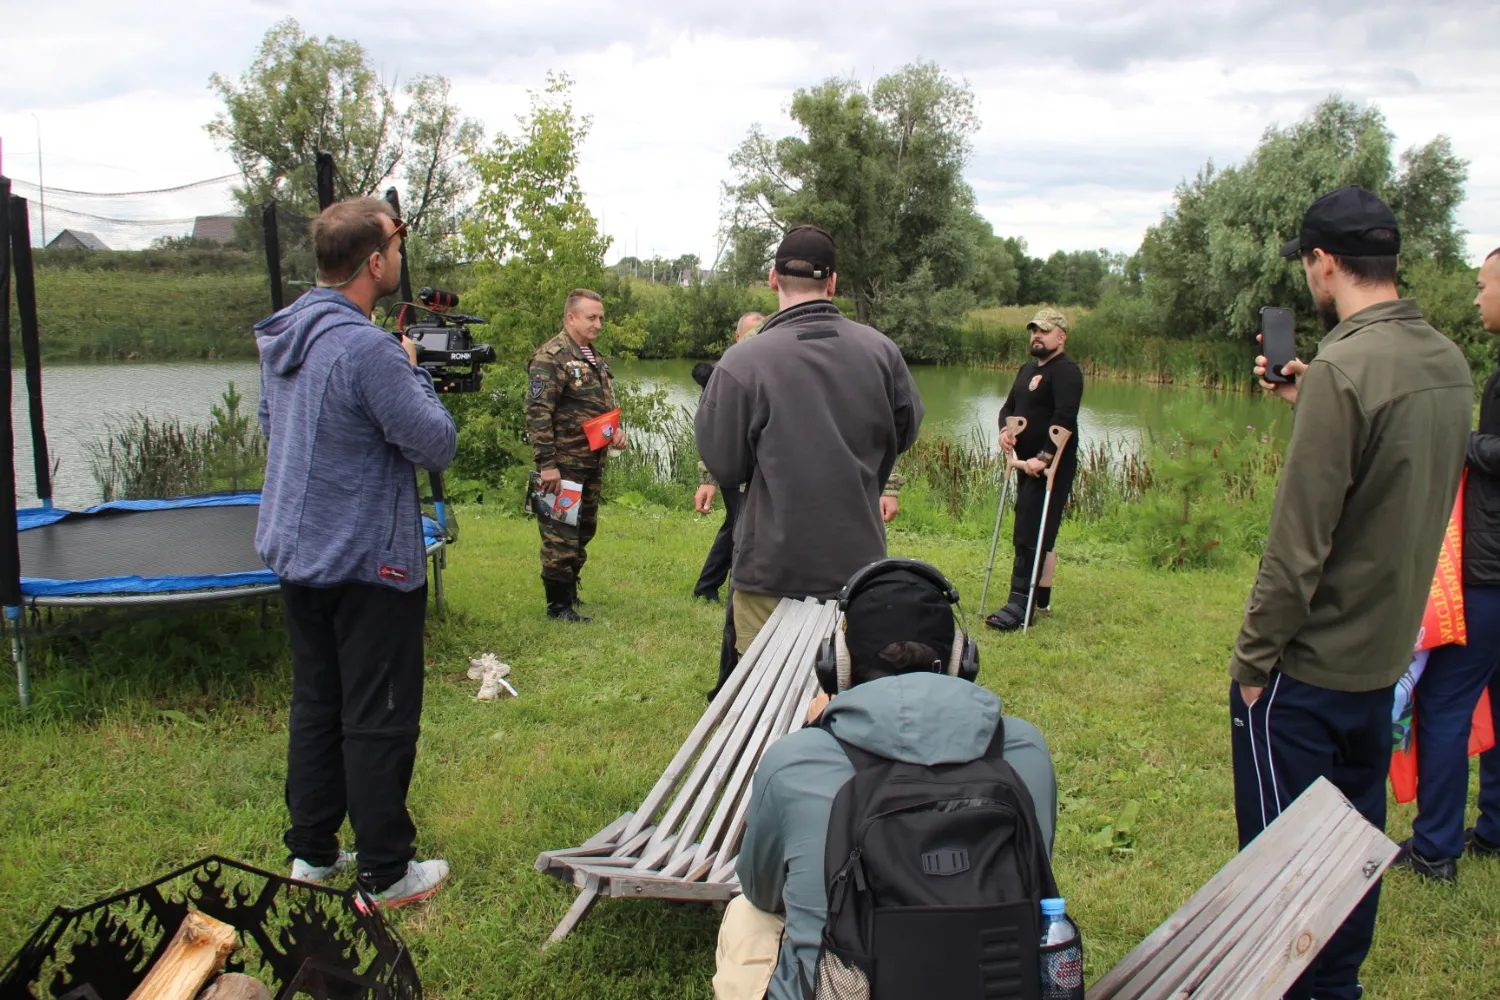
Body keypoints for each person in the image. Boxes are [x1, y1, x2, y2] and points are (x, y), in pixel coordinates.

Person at [1230, 186, 1472, 1000]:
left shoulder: (1344, 365)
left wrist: (1253, 661)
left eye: (1310, 267)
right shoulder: (1446, 360)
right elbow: (1392, 482)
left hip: (1308, 672)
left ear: (1323, 262)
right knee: (1352, 847)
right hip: (1382, 664)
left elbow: (1298, 549)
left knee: (1283, 872)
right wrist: (1313, 402)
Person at [712, 560, 1057, 1000]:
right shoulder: (1024, 749)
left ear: (835, 665)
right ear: (961, 660)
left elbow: (763, 889)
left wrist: (819, 736)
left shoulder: (794, 761)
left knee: (748, 915)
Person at [255, 197, 456, 907]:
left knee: (317, 703)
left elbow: (269, 425)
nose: (399, 259)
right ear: (374, 261)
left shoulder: (284, 333)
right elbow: (435, 443)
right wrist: (413, 372)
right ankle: (386, 873)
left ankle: (312, 855)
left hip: (298, 554)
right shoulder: (372, 350)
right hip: (370, 563)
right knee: (379, 713)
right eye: (395, 249)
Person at [696, 225, 922, 656]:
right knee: (841, 690)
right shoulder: (882, 352)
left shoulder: (743, 360)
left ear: (773, 278)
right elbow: (904, 431)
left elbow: (723, 464)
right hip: (858, 565)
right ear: (833, 282)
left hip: (769, 568)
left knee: (761, 698)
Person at [1394, 246, 1500, 883]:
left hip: (1490, 572)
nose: (1477, 297)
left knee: (1443, 699)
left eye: (1484, 284)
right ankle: (1493, 827)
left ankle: (1435, 847)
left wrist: (1460, 442)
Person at [526, 289, 626, 622]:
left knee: (584, 530)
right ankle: (557, 606)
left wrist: (616, 433)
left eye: (600, 317)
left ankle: (569, 592)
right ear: (571, 317)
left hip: (591, 462)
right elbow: (538, 412)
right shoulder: (551, 357)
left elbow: (598, 409)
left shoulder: (593, 357)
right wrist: (547, 465)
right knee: (560, 536)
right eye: (591, 317)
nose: (598, 324)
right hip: (563, 465)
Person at [984, 307, 1084, 631]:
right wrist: (1004, 432)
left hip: (1050, 467)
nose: (1036, 336)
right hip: (1023, 464)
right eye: (1033, 331)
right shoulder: (1027, 369)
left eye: (1044, 330)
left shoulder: (1067, 372)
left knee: (1031, 530)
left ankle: (1019, 605)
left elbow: (1064, 419)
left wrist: (1043, 458)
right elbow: (1008, 408)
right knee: (1041, 529)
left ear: (1061, 335)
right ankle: (1042, 600)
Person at [693, 311, 766, 602]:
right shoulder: (723, 375)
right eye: (749, 333)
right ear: (737, 337)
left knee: (736, 523)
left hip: (759, 467)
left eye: (761, 332)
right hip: (730, 467)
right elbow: (712, 433)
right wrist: (709, 476)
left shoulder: (767, 368)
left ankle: (707, 586)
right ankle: (735, 589)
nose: (755, 339)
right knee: (741, 524)